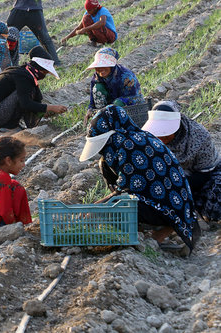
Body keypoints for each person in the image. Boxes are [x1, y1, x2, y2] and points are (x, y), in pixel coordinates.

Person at [80, 105, 199, 252]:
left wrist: (96, 207)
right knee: (105, 171)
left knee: (115, 206)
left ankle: (162, 231)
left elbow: (124, 190)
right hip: (169, 201)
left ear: (114, 133)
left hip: (172, 205)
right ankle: (143, 232)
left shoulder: (128, 146)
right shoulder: (137, 137)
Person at [142, 101, 221, 222]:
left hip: (203, 174)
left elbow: (204, 175)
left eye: (166, 134)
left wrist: (176, 185)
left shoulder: (199, 136)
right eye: (158, 134)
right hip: (173, 175)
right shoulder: (149, 137)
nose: (161, 139)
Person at [0, 45, 67, 132]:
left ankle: (13, 123)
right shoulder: (21, 77)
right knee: (23, 94)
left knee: (28, 92)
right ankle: (9, 126)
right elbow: (25, 103)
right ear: (37, 69)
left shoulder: (25, 73)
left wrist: (43, 110)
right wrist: (50, 107)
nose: (44, 75)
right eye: (44, 72)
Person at [85, 47, 145, 124]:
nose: (100, 69)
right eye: (98, 66)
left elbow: (134, 97)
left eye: (104, 65)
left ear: (111, 66)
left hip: (131, 105)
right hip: (111, 103)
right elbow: (92, 96)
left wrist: (114, 106)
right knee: (98, 88)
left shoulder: (126, 76)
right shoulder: (97, 76)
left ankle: (118, 122)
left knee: (117, 104)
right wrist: (90, 108)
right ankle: (102, 118)